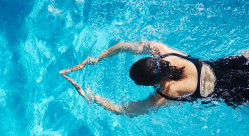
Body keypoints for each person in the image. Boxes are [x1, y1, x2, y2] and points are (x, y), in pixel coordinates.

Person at [60, 41, 249, 115]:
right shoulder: (164, 53)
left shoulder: (166, 93)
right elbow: (125, 45)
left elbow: (124, 110)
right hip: (228, 65)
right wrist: (95, 58)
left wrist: (90, 96)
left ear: (152, 84)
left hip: (230, 92)